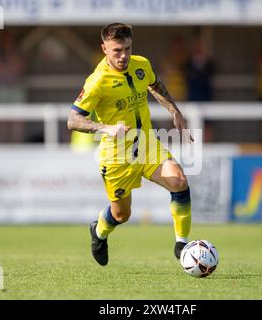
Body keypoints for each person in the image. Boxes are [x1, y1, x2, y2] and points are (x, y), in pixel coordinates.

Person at [67, 23, 194, 266]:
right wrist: (106, 128)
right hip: (117, 156)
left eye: (127, 48)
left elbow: (155, 85)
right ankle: (99, 233)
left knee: (179, 181)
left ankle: (182, 245)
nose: (123, 55)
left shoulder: (141, 64)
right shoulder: (97, 81)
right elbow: (73, 120)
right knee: (122, 214)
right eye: (117, 50)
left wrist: (174, 110)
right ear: (104, 48)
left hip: (147, 144)